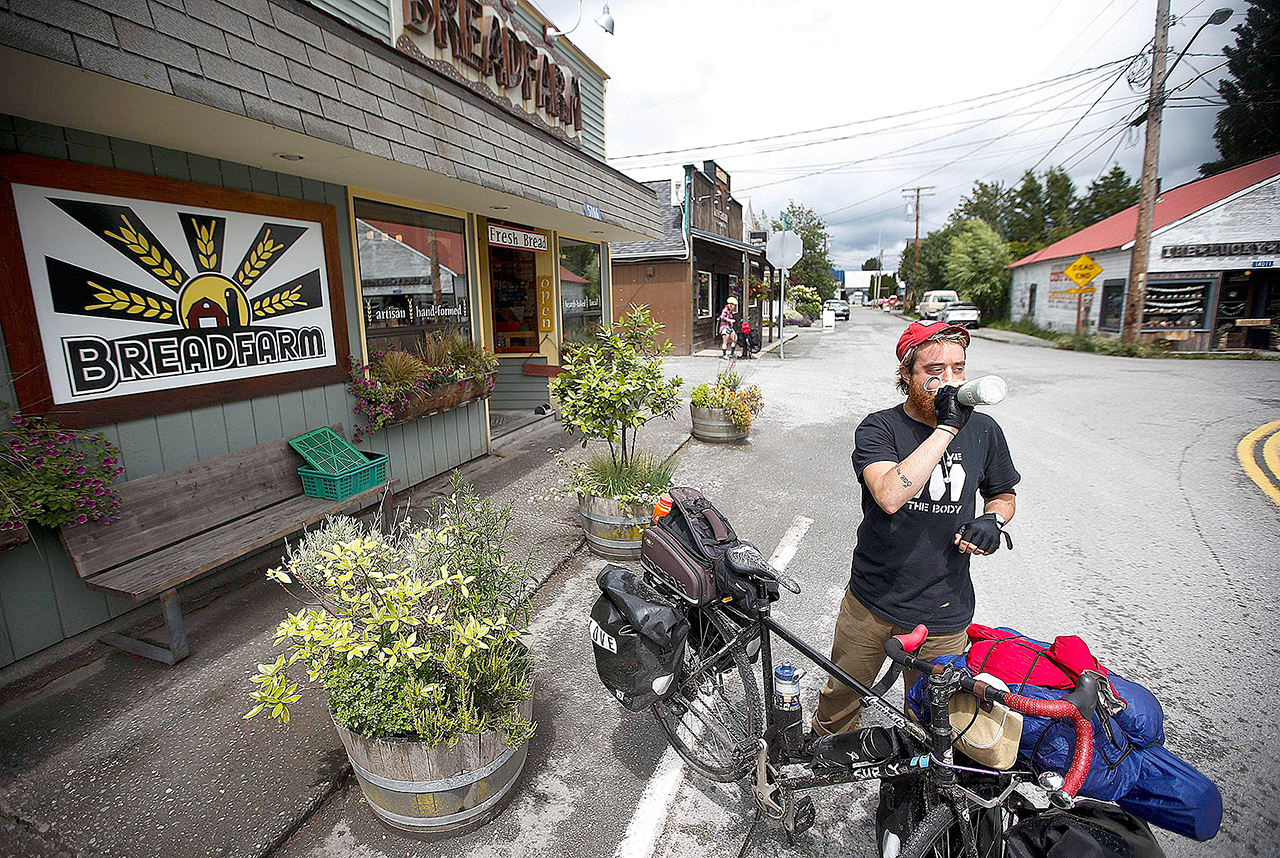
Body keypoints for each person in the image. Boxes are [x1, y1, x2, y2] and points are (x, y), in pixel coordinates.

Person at [811, 320, 1020, 736]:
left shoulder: (984, 430)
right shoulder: (880, 428)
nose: (950, 380)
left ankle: (907, 792)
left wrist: (993, 519)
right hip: (873, 600)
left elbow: (1004, 493)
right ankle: (819, 767)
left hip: (945, 609)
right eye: (934, 370)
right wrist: (946, 428)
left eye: (958, 368)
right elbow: (889, 494)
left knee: (931, 720)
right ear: (906, 376)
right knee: (841, 699)